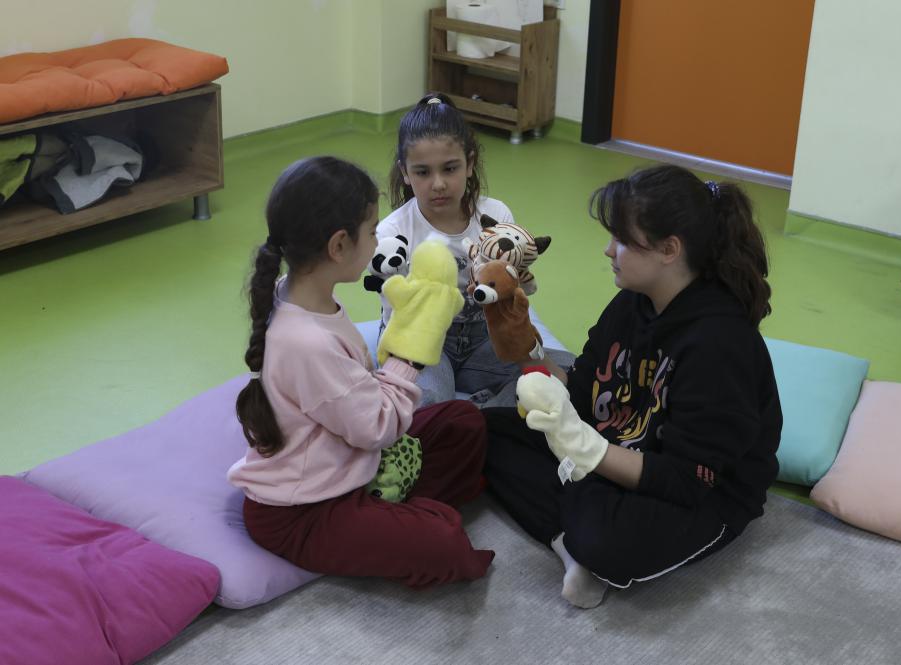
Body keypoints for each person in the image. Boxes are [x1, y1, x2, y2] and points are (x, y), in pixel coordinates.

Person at [483, 164, 782, 608]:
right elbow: (581, 393)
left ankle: (581, 537)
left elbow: (687, 479)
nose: (608, 250)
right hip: (616, 453)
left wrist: (584, 450)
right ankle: (570, 546)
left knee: (607, 540)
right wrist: (525, 347)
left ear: (669, 249)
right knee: (484, 431)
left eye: (622, 239)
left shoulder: (719, 344)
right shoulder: (632, 301)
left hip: (702, 493)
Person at [228, 156, 494, 589]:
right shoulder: (306, 341)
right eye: (372, 232)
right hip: (304, 511)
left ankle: (392, 515)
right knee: (446, 543)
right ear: (338, 245)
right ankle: (402, 518)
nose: (377, 242)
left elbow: (359, 400)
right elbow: (377, 429)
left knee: (463, 422)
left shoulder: (299, 295)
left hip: (351, 462)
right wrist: (409, 354)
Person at [378, 92, 571, 406]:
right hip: (424, 340)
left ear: (469, 164)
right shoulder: (393, 232)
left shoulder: (495, 215)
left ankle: (479, 413)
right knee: (427, 400)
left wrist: (507, 296)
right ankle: (470, 412)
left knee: (567, 371)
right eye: (423, 172)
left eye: (450, 168)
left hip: (484, 338)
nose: (438, 184)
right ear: (405, 172)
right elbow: (397, 316)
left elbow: (510, 290)